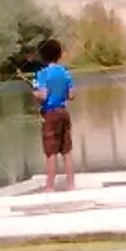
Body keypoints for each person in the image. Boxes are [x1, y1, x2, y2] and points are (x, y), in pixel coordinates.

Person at [33, 38, 75, 191]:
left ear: (42, 56)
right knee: (67, 151)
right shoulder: (65, 73)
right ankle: (71, 185)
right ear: (59, 55)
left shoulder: (42, 74)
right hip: (64, 112)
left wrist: (35, 93)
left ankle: (49, 187)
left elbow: (43, 96)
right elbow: (71, 95)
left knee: (50, 152)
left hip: (50, 114)